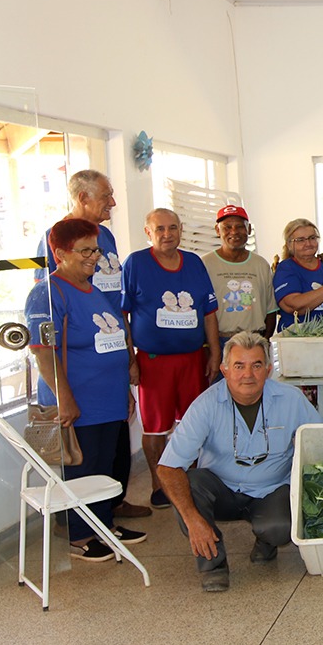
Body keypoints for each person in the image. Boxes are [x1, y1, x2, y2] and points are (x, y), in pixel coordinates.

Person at [156, 332, 323, 591]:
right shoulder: (205, 406)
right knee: (190, 485)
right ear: (225, 370)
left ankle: (266, 541)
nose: (247, 374)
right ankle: (213, 564)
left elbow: (319, 438)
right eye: (239, 366)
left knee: (280, 528)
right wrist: (193, 520)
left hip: (271, 489)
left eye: (256, 365)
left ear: (269, 370)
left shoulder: (291, 398)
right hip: (222, 490)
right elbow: (167, 467)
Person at [25, 219, 145, 561]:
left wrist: (123, 391)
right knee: (83, 468)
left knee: (104, 467)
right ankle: (80, 535)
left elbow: (111, 342)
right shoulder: (48, 294)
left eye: (97, 249)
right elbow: (42, 351)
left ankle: (103, 524)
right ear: (60, 254)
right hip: (78, 402)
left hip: (107, 400)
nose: (95, 257)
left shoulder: (93, 291)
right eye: (86, 250)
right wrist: (65, 398)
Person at [120, 208, 220, 510]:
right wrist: (130, 360)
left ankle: (189, 480)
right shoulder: (136, 263)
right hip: (153, 360)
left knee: (192, 423)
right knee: (155, 427)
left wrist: (214, 351)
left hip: (191, 358)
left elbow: (209, 311)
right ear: (148, 232)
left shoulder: (193, 262)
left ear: (181, 230)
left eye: (173, 228)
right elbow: (122, 315)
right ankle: (159, 483)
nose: (167, 234)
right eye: (160, 229)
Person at [201, 204, 277, 361]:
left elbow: (270, 310)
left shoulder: (261, 264)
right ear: (217, 230)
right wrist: (208, 346)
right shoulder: (204, 264)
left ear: (248, 230)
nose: (234, 232)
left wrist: (265, 340)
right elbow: (200, 310)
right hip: (218, 343)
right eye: (227, 227)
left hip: (254, 341)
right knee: (218, 386)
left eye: (240, 227)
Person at [35, 170, 124, 293]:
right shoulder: (54, 237)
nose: (113, 202)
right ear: (83, 199)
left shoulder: (105, 234)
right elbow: (44, 293)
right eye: (105, 196)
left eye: (111, 195)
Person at [273, 218, 323, 331]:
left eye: (312, 238)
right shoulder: (286, 269)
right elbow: (294, 306)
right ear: (290, 245)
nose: (308, 244)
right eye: (300, 240)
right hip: (299, 338)